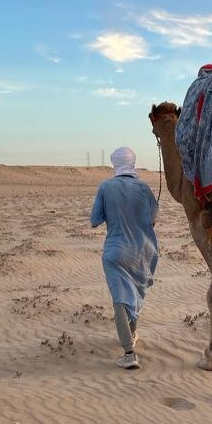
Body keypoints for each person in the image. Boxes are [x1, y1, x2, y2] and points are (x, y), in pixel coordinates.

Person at [90, 147, 159, 369]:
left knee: (120, 299)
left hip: (115, 251)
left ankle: (129, 353)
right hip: (143, 252)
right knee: (136, 293)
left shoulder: (106, 187)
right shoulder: (144, 188)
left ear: (115, 164)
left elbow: (94, 220)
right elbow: (153, 219)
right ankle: (133, 332)